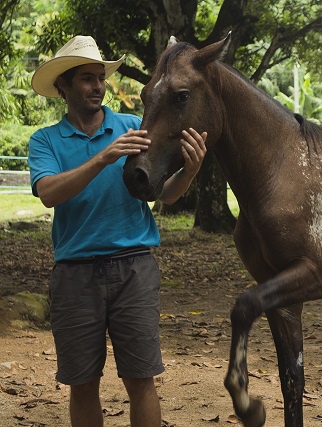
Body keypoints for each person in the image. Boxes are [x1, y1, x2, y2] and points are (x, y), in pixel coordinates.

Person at [28, 35, 207, 427]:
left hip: (134, 270)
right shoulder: (45, 141)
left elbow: (164, 196)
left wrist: (188, 172)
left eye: (100, 78)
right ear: (63, 86)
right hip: (75, 274)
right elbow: (48, 193)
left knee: (142, 380)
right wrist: (103, 157)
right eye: (86, 79)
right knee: (83, 383)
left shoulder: (133, 126)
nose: (97, 87)